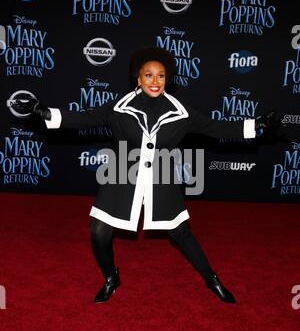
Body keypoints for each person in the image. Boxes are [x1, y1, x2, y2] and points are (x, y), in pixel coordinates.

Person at [14, 47, 275, 305]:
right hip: (122, 175)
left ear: (167, 79)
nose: (155, 81)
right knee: (99, 232)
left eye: (160, 75)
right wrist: (45, 112)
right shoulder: (118, 107)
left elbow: (216, 127)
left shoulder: (181, 111)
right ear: (138, 79)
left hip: (161, 177)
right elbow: (84, 118)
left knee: (180, 233)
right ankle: (110, 279)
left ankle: (212, 279)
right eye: (148, 75)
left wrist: (255, 125)